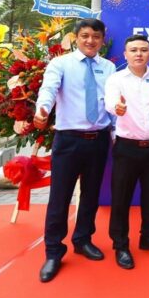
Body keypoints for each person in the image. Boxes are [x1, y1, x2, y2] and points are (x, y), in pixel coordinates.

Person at [33, 18, 116, 283]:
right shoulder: (61, 64)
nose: (90, 41)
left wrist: (115, 132)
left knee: (91, 195)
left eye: (96, 37)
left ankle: (83, 239)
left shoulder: (109, 67)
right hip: (68, 140)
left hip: (98, 139)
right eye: (85, 36)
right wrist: (42, 110)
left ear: (102, 40)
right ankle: (53, 251)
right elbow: (48, 89)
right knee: (60, 197)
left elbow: (113, 103)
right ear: (76, 37)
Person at [104, 34, 149, 270]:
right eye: (133, 50)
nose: (138, 54)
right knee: (121, 199)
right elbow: (110, 102)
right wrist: (117, 108)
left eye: (143, 50)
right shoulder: (116, 79)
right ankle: (121, 245)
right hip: (127, 148)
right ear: (125, 54)